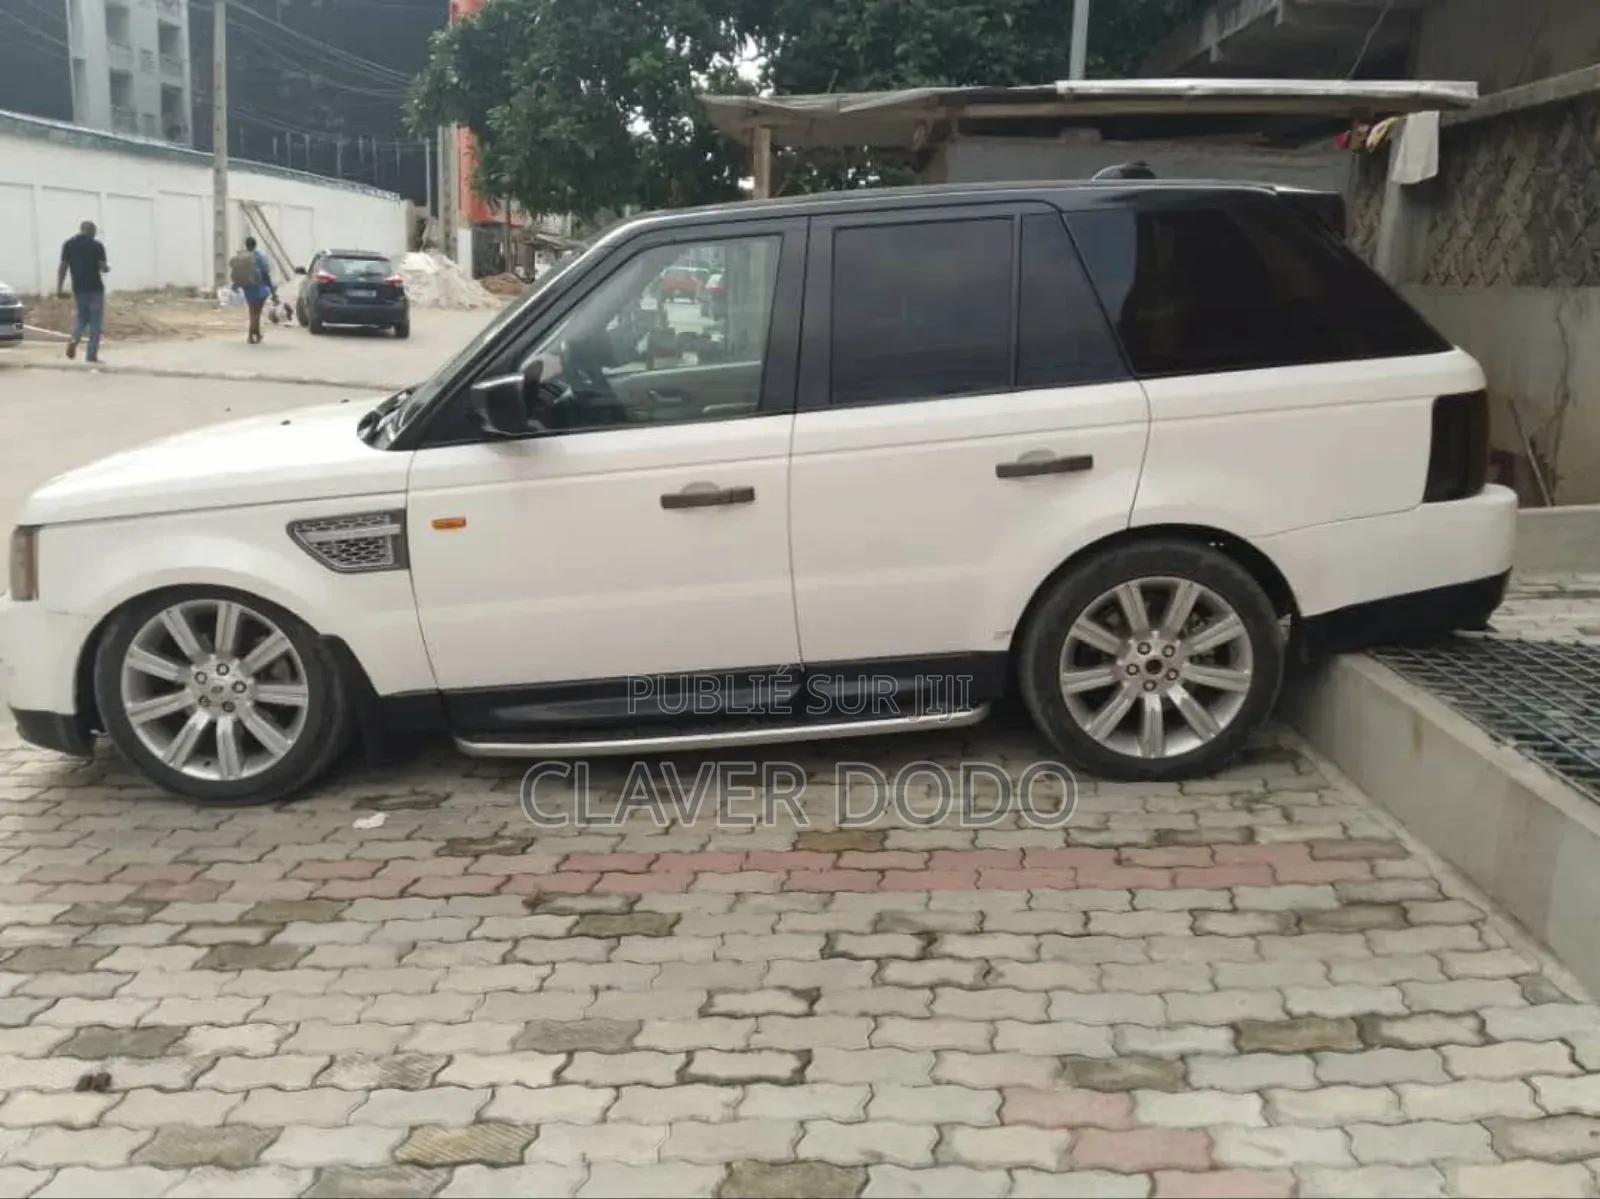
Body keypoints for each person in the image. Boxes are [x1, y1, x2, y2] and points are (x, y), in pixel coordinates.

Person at [56, 220, 109, 363]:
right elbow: (102, 266)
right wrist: (106, 268)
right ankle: (91, 355)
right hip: (95, 289)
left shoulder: (69, 244)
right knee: (96, 323)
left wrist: (59, 288)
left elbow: (63, 266)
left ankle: (74, 339)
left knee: (82, 318)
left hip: (79, 289)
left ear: (81, 229)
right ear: (92, 231)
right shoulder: (97, 246)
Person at [231, 236, 275, 344]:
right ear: (255, 244)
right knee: (257, 313)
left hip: (248, 288)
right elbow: (265, 273)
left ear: (246, 245)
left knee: (252, 312)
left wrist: (236, 285)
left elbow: (238, 272)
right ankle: (252, 335)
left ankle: (256, 334)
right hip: (260, 289)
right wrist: (272, 289)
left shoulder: (242, 257)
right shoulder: (259, 257)